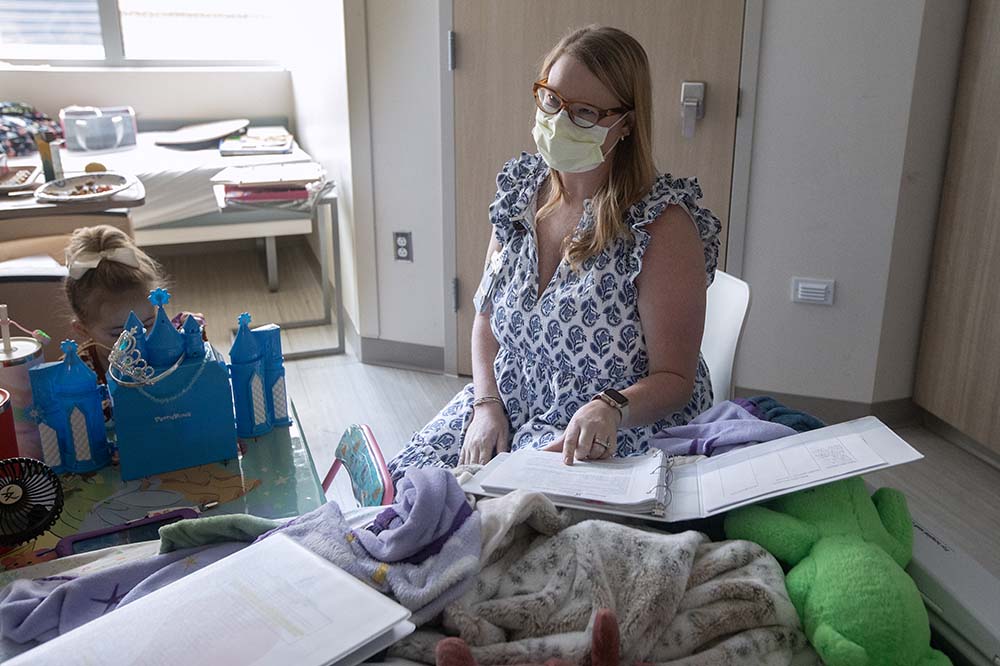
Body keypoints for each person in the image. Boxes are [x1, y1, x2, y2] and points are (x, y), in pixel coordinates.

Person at [388, 25, 721, 480]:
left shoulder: (659, 226)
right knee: (404, 485)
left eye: (585, 112)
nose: (560, 121)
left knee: (489, 520)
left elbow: (676, 381)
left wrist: (610, 407)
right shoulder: (521, 193)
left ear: (625, 123)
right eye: (551, 99)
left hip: (604, 425)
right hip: (507, 399)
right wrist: (486, 405)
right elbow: (486, 317)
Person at [63, 225, 203, 383]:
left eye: (149, 324)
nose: (138, 341)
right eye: (118, 334)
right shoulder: (75, 370)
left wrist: (193, 335)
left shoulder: (170, 345)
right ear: (83, 330)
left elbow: (200, 372)